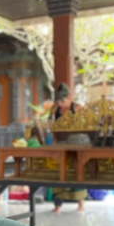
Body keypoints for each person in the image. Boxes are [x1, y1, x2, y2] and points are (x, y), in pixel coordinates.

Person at [50, 83, 87, 213]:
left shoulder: (77, 108)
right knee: (58, 172)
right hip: (60, 145)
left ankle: (81, 202)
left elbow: (86, 124)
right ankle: (58, 205)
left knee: (76, 172)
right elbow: (52, 126)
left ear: (68, 98)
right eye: (58, 101)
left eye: (63, 101)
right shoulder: (55, 110)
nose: (60, 104)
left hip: (76, 144)